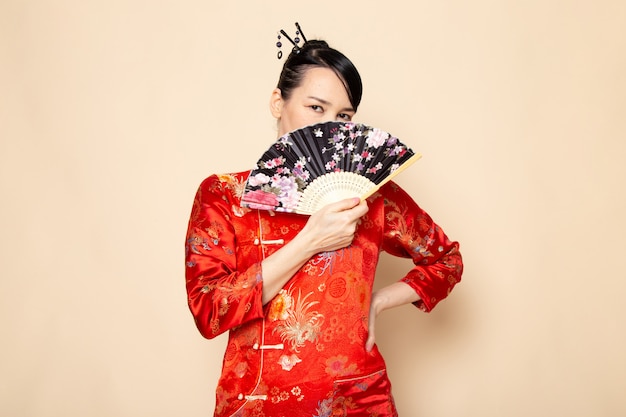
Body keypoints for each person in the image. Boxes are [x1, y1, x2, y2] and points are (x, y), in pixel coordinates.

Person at [184, 23, 463, 417]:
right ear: (278, 103)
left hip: (358, 398)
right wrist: (311, 239)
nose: (329, 125)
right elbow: (210, 311)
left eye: (344, 115)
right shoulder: (225, 195)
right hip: (257, 400)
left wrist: (378, 301)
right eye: (316, 107)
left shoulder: (368, 195)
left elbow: (446, 260)